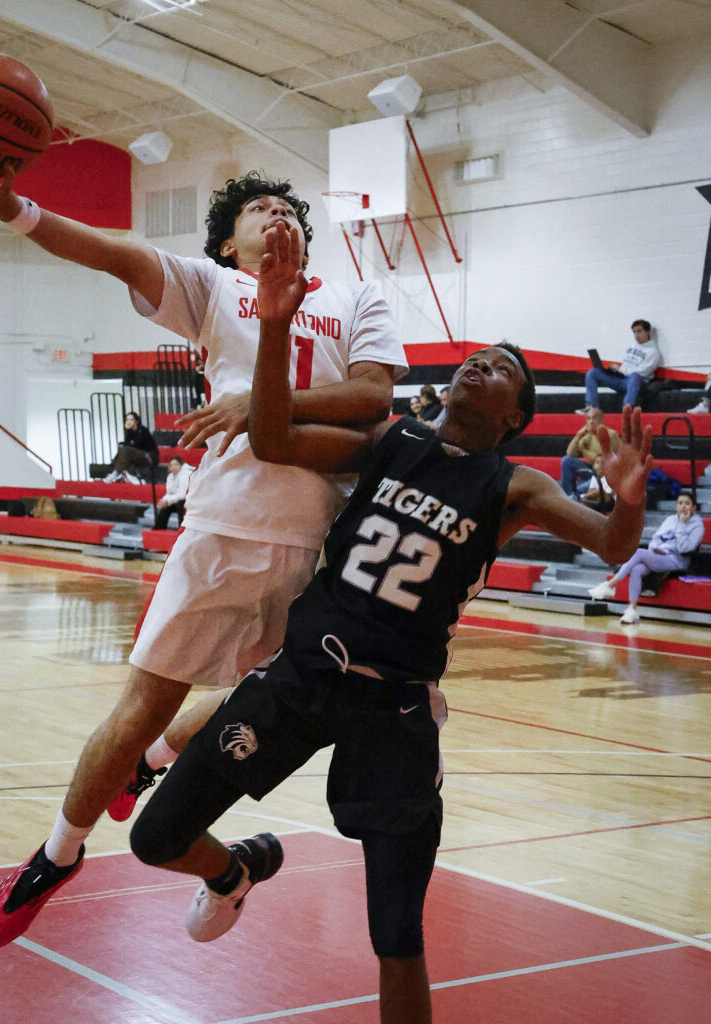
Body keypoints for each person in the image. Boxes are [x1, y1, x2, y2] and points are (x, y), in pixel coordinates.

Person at [128, 222, 653, 1024]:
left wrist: (629, 496)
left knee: (396, 933)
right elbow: (271, 437)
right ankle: (232, 872)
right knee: (154, 837)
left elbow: (614, 543)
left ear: (514, 417)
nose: (484, 363)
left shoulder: (514, 485)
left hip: (395, 710)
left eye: (504, 370)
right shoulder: (389, 438)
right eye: (479, 357)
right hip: (300, 676)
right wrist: (273, 326)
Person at [0, 151, 407, 948]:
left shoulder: (357, 296)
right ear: (229, 246)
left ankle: (155, 763)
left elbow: (373, 396)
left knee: (274, 694)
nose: (275, 214)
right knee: (138, 706)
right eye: (256, 209)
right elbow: (106, 249)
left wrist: (257, 403)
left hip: (318, 545)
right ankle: (56, 856)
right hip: (223, 528)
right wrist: (15, 209)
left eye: (284, 207)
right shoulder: (211, 288)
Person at [588, 492, 704, 623]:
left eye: (687, 504)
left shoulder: (697, 525)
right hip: (656, 556)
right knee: (637, 569)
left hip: (675, 560)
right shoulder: (670, 519)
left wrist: (682, 525)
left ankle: (610, 585)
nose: (683, 507)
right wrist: (654, 550)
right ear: (676, 506)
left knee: (639, 552)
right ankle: (632, 610)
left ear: (693, 508)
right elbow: (655, 539)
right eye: (680, 503)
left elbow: (685, 549)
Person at [581, 319, 661, 411]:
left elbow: (642, 372)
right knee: (593, 372)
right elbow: (626, 366)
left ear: (648, 332)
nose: (636, 335)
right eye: (634, 332)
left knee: (635, 376)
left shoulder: (653, 352)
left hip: (637, 382)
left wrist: (621, 370)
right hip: (622, 379)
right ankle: (591, 407)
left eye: (639, 331)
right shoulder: (632, 346)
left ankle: (627, 408)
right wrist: (613, 370)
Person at [560, 407, 621, 495]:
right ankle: (569, 495)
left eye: (594, 418)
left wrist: (584, 451)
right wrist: (578, 435)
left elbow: (604, 459)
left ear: (601, 420)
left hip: (608, 474)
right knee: (566, 461)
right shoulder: (586, 436)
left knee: (580, 489)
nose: (591, 421)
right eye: (588, 418)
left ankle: (575, 495)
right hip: (593, 471)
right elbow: (570, 453)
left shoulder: (611, 435)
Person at [103, 411, 159, 483]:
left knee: (126, 450)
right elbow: (128, 446)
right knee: (124, 450)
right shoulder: (130, 432)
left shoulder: (143, 430)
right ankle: (133, 478)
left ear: (137, 421)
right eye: (127, 420)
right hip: (138, 457)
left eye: (131, 420)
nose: (128, 422)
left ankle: (116, 472)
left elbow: (137, 446)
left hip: (149, 457)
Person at [154, 456, 193, 529]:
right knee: (165, 507)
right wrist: (164, 501)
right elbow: (169, 493)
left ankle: (182, 530)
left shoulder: (185, 474)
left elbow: (183, 494)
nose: (174, 467)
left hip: (190, 501)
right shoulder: (170, 476)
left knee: (181, 503)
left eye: (176, 464)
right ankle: (158, 529)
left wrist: (168, 501)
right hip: (177, 500)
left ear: (181, 465)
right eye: (171, 465)